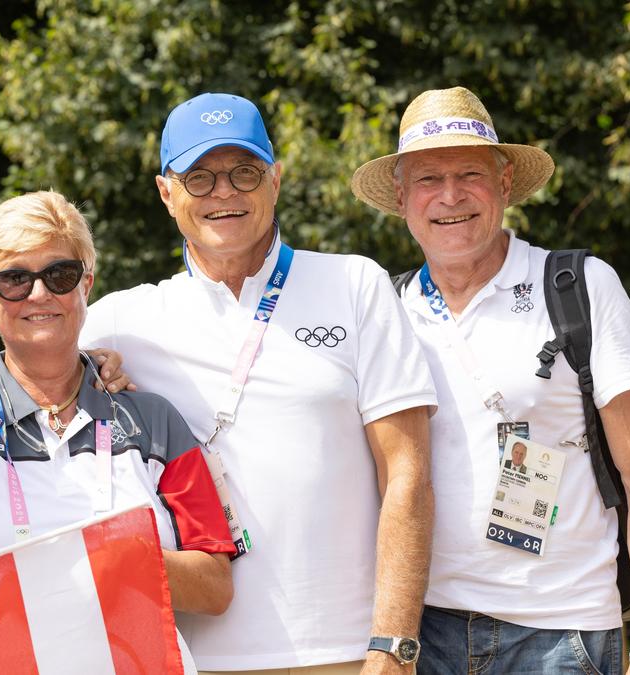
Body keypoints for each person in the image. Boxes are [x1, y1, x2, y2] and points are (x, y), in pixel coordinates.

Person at [81, 92, 438, 674]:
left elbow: (409, 473)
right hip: (187, 656)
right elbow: (13, 397)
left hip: (346, 653)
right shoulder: (120, 321)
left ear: (274, 179)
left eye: (243, 171)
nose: (223, 192)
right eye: (198, 178)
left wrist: (393, 644)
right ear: (166, 194)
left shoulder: (353, 283)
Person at [350, 86, 630, 674]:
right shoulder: (385, 309)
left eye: (469, 174)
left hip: (563, 635)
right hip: (422, 633)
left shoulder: (580, 287)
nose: (450, 197)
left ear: (504, 184)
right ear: (401, 197)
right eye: (428, 179)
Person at [0, 190, 237, 674]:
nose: (39, 294)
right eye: (15, 279)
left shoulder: (150, 418)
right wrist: (33, 571)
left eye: (59, 275)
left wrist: (121, 557)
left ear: (87, 282)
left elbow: (214, 586)